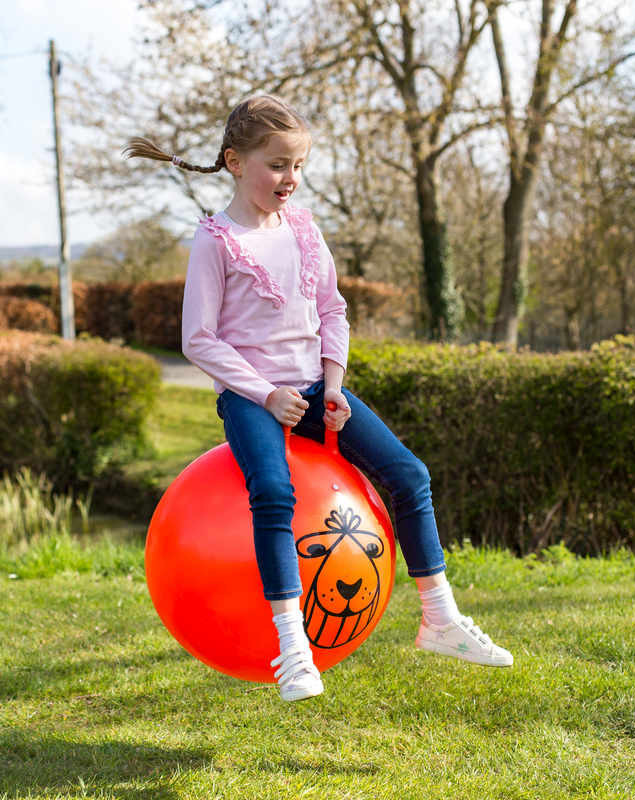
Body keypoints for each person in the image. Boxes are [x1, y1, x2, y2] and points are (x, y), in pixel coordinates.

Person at [124, 95, 513, 702]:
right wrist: (265, 395)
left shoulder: (304, 229)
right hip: (252, 398)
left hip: (315, 387)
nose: (291, 178)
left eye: (299, 165)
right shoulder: (216, 240)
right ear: (235, 162)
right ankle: (293, 646)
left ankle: (440, 618)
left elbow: (332, 309)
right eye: (278, 164)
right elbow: (198, 339)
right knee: (273, 491)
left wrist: (333, 383)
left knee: (410, 475)